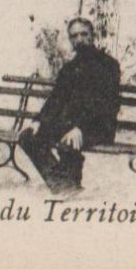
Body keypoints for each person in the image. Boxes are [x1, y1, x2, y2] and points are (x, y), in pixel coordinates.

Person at [17, 16, 120, 195]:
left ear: (92, 36)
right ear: (70, 40)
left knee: (67, 141)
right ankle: (64, 184)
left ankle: (65, 183)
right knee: (28, 137)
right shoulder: (69, 69)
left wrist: (80, 128)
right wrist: (38, 121)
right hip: (70, 125)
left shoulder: (108, 65)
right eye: (74, 36)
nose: (79, 39)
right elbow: (55, 99)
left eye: (83, 34)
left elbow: (106, 104)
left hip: (98, 126)